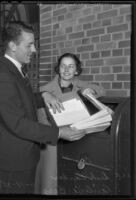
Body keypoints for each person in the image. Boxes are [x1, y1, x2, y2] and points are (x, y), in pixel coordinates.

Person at [0, 21, 85, 194]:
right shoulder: (3, 75)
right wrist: (59, 132)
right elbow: (17, 123)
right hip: (16, 160)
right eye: (29, 45)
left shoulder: (14, 69)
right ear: (12, 46)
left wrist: (43, 96)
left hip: (25, 156)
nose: (34, 50)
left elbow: (21, 100)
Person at [37, 52, 105, 195]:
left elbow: (101, 90)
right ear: (58, 68)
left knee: (71, 183)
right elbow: (41, 121)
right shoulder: (45, 90)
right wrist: (60, 130)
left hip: (76, 140)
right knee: (51, 184)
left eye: (71, 66)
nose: (66, 70)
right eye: (63, 66)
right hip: (53, 144)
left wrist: (89, 90)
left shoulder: (80, 85)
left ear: (76, 70)